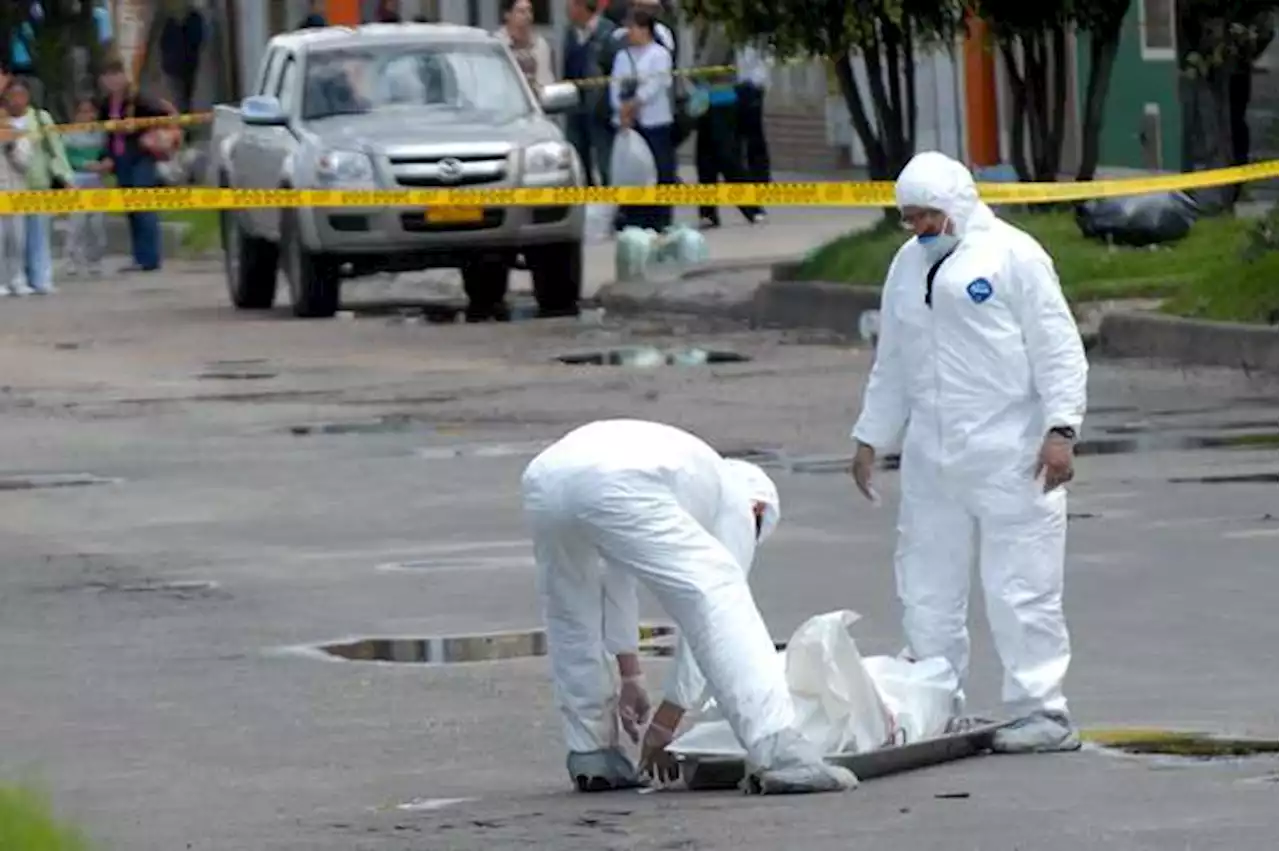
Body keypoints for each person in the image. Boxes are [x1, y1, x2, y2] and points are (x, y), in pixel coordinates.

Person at [849, 151, 1088, 754]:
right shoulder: (906, 266)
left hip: (1011, 449)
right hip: (933, 454)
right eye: (910, 219)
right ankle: (934, 699)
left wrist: (1061, 430)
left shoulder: (1014, 255)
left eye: (929, 215)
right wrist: (872, 435)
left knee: (1021, 584)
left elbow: (1057, 346)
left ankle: (1043, 710)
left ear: (957, 204)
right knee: (927, 583)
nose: (921, 228)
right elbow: (894, 360)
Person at [522, 419, 858, 794]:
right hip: (615, 478)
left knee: (572, 611)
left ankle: (593, 753)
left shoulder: (689, 478)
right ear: (759, 510)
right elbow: (709, 617)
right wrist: (668, 720)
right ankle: (780, 752)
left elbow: (617, 581)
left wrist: (631, 674)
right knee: (720, 593)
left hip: (545, 477)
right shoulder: (737, 501)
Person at [97, 58, 174, 273]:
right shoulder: (106, 104)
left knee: (144, 207)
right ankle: (139, 257)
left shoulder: (137, 99)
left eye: (115, 75)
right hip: (121, 159)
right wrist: (106, 156)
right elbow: (107, 134)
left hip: (141, 156)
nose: (112, 81)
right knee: (131, 209)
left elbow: (163, 114)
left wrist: (141, 131)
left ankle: (151, 257)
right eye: (107, 77)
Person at [690, 22, 763, 229]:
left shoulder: (720, 27)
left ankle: (752, 207)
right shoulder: (702, 26)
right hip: (704, 99)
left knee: (727, 156)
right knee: (704, 159)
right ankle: (708, 211)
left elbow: (711, 63)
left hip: (722, 99)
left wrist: (694, 72)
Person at [3, 77, 72, 296]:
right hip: (9, 188)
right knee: (9, 238)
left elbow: (55, 149)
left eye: (21, 95)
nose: (17, 100)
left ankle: (41, 278)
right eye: (12, 95)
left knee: (37, 235)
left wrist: (64, 176)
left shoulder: (41, 119)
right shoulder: (2, 122)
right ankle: (13, 277)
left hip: (37, 183)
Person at [609, 7, 675, 231]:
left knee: (660, 169)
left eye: (633, 28)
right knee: (634, 171)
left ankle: (660, 219)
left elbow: (658, 84)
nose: (629, 33)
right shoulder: (622, 56)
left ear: (645, 29)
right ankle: (633, 215)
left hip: (654, 121)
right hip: (630, 124)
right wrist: (621, 108)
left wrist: (636, 102)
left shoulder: (660, 54)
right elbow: (615, 84)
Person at [562, 0, 617, 186]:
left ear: (582, 7)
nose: (567, 10)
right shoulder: (571, 32)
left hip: (599, 107)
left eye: (571, 5)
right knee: (579, 160)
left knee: (605, 162)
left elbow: (614, 71)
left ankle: (613, 205)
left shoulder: (608, 33)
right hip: (575, 107)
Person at [61, 97, 109, 278]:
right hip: (77, 178)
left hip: (96, 179)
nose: (87, 115)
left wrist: (104, 164)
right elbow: (64, 158)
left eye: (90, 111)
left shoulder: (100, 133)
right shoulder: (68, 133)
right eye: (83, 111)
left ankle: (95, 260)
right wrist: (81, 164)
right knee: (76, 223)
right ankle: (71, 259)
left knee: (97, 223)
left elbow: (106, 154)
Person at [0, 105, 33, 297]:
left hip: (16, 193)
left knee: (18, 239)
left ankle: (18, 278)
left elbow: (25, 164)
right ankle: (1, 281)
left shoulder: (20, 136)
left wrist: (11, 148)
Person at [734, 41, 772, 187]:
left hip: (754, 87)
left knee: (754, 134)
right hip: (739, 86)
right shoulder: (739, 38)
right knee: (739, 133)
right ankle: (743, 174)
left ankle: (760, 175)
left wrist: (756, 83)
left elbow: (766, 62)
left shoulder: (759, 37)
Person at [159, 0, 206, 115]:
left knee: (184, 96)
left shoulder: (192, 19)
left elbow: (197, 40)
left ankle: (184, 122)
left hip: (186, 64)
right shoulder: (171, 22)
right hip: (176, 65)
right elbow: (164, 43)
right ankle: (183, 123)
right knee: (180, 97)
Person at [495, 0, 554, 88]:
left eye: (529, 11)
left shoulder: (540, 45)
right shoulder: (497, 44)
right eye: (521, 12)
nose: (527, 16)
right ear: (507, 14)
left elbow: (546, 83)